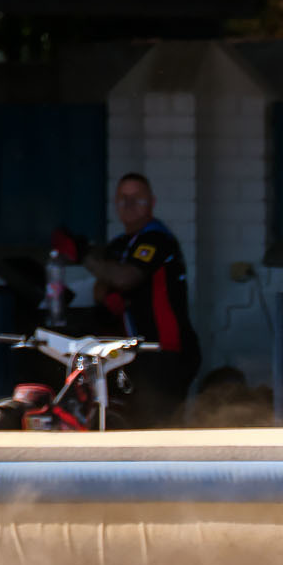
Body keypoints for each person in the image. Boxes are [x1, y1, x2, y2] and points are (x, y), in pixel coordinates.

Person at [79, 172, 200, 428]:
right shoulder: (119, 244)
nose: (129, 204)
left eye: (137, 198)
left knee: (158, 427)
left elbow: (124, 278)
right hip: (131, 354)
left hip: (165, 351)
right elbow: (100, 288)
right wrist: (109, 291)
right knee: (126, 423)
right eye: (123, 198)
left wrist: (82, 255)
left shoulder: (157, 238)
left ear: (152, 202)